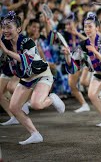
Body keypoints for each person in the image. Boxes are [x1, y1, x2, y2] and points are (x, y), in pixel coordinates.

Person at [0, 11, 65, 145]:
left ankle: (52, 98)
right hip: (26, 78)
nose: (5, 30)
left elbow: (25, 61)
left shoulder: (27, 42)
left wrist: (6, 52)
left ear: (18, 29)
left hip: (41, 74)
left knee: (36, 104)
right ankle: (35, 134)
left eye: (9, 27)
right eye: (3, 27)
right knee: (14, 108)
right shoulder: (4, 42)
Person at [45, 13, 91, 113]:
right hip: (74, 62)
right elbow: (51, 37)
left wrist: (77, 33)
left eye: (70, 24)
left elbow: (91, 42)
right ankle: (85, 104)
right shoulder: (64, 34)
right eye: (66, 24)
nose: (67, 26)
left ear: (76, 23)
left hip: (87, 61)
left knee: (83, 82)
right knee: (72, 85)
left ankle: (95, 95)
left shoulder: (82, 32)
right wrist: (47, 23)